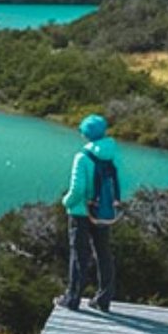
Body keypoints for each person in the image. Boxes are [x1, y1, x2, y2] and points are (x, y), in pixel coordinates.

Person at [55, 114, 120, 312]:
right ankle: (103, 298)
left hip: (81, 212)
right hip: (104, 211)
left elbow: (78, 189)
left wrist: (66, 202)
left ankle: (72, 298)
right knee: (103, 253)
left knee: (79, 254)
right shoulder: (111, 153)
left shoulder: (82, 157)